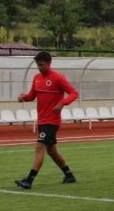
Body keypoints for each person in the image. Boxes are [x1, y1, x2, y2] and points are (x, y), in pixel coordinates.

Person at [14, 51, 79, 189]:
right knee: (52, 151)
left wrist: (62, 103)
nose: (39, 67)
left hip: (52, 121)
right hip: (41, 120)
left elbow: (74, 93)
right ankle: (69, 175)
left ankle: (29, 180)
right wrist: (23, 97)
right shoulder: (37, 77)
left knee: (39, 147)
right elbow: (32, 96)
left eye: (42, 65)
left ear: (49, 63)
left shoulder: (58, 78)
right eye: (37, 65)